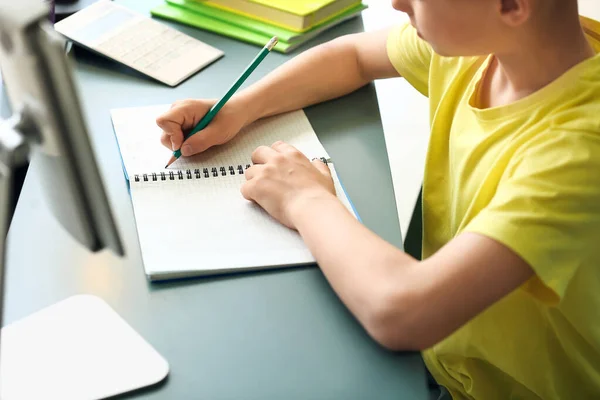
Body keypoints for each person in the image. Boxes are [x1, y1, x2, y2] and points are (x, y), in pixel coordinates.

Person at [156, 0, 600, 398]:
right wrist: (240, 108)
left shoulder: (578, 153)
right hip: (456, 363)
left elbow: (404, 313)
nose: (397, 2)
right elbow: (350, 57)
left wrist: (306, 199)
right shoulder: (487, 45)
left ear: (510, 5)